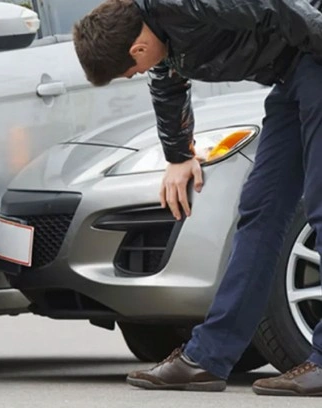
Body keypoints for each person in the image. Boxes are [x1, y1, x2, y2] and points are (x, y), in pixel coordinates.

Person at [72, 0, 322, 397]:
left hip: (316, 48)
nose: (136, 73)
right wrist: (178, 155)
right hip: (293, 71)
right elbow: (167, 81)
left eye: (129, 71)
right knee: (261, 210)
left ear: (136, 49)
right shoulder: (160, 35)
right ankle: (208, 359)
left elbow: (277, 5)